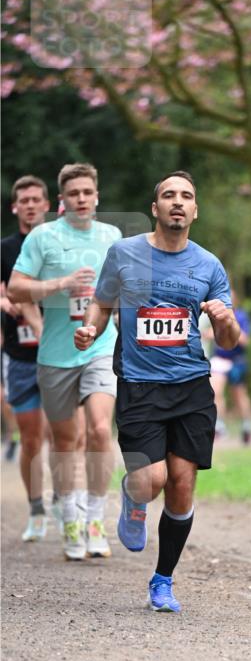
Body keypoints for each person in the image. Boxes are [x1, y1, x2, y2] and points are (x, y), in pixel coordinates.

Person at [74, 171, 240, 612]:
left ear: (195, 210)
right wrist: (91, 326)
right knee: (153, 481)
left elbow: (229, 340)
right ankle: (133, 493)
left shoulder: (208, 265)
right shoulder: (124, 254)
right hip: (139, 386)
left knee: (182, 486)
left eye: (186, 196)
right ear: (155, 208)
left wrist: (223, 319)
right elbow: (102, 299)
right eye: (169, 195)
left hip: (190, 387)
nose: (177, 202)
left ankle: (162, 580)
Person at [8, 163, 121, 560]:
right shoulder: (43, 237)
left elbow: (121, 290)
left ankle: (94, 518)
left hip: (101, 347)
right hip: (55, 354)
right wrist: (60, 285)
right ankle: (69, 516)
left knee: (101, 430)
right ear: (63, 199)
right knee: (66, 441)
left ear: (96, 195)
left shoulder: (112, 236)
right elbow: (17, 288)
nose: (82, 199)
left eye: (88, 192)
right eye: (74, 193)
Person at [1, 175, 51, 540]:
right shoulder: (4, 249)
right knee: (32, 437)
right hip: (20, 355)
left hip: (60, 353)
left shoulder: (61, 245)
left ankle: (67, 496)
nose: (30, 205)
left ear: (47, 205)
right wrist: (7, 302)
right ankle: (36, 509)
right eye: (24, 200)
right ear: (15, 207)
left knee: (62, 433)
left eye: (36, 199)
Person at [210, 289, 251, 444]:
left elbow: (246, 340)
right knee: (215, 391)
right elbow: (211, 333)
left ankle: (246, 426)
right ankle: (218, 426)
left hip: (236, 360)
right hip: (220, 360)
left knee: (239, 395)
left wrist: (232, 328)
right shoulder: (215, 316)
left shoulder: (241, 316)